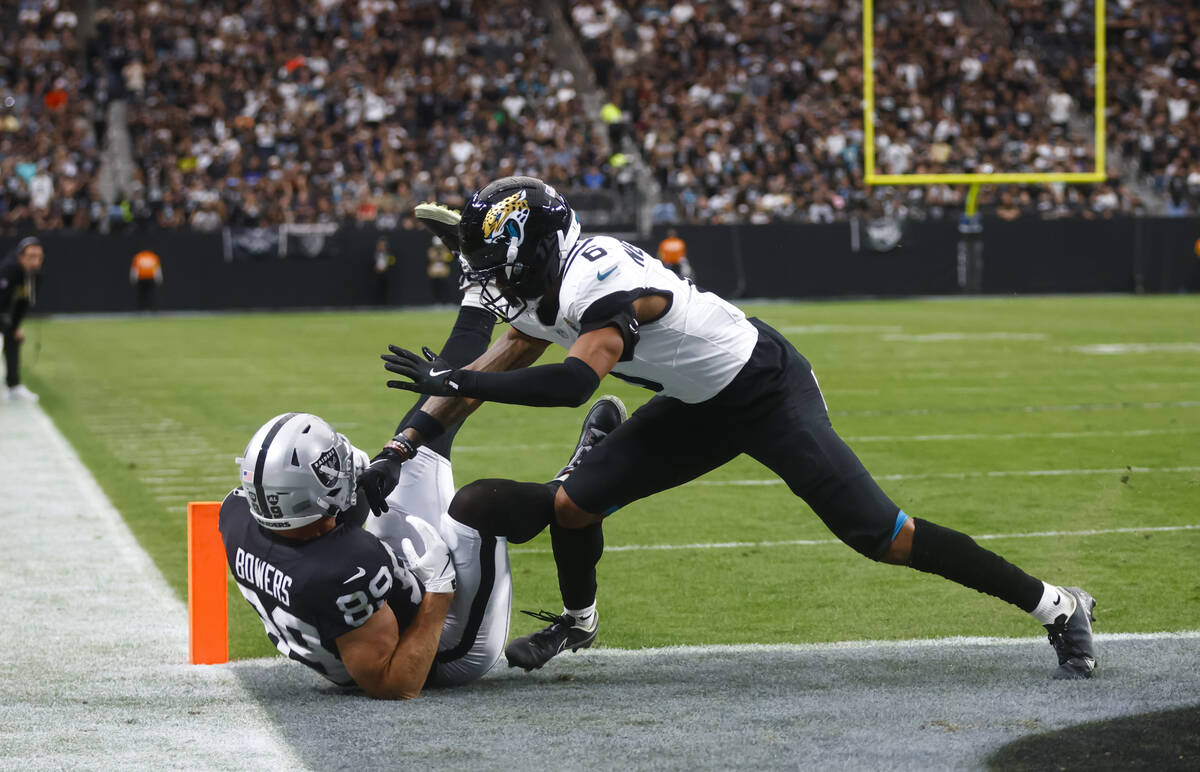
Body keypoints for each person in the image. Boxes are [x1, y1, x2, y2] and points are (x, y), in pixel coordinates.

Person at [367, 176, 1098, 681]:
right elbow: (479, 374)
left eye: (497, 262)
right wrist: (399, 449)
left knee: (883, 535)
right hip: (695, 403)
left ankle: (1058, 605)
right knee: (571, 505)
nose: (489, 279)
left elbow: (569, 383)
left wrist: (456, 378)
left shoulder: (601, 276)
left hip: (763, 389)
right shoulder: (541, 287)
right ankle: (579, 622)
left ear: (533, 247)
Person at [220, 279, 514, 696]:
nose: (345, 466)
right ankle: (574, 488)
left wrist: (389, 458)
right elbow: (398, 684)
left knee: (421, 435)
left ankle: (478, 297)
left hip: (353, 606)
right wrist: (437, 590)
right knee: (481, 505)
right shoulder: (345, 566)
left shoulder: (236, 514)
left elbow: (316, 544)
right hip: (442, 651)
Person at [0, 236, 45, 401]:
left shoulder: (35, 276)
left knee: (13, 339)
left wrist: (15, 326)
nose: (35, 262)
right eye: (31, 257)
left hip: (6, 315)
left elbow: (22, 305)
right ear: (20, 257)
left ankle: (13, 386)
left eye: (39, 257)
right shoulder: (8, 270)